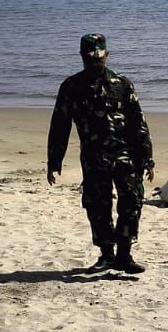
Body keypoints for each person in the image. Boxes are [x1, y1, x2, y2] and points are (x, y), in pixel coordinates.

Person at [47, 33, 155, 273]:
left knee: (132, 201)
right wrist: (54, 160)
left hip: (125, 156)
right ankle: (106, 254)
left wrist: (147, 158)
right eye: (89, 59)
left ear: (106, 56)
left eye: (98, 58)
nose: (95, 63)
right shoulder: (71, 87)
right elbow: (60, 126)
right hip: (94, 158)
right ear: (82, 58)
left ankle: (124, 255)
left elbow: (139, 122)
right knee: (98, 206)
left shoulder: (122, 84)